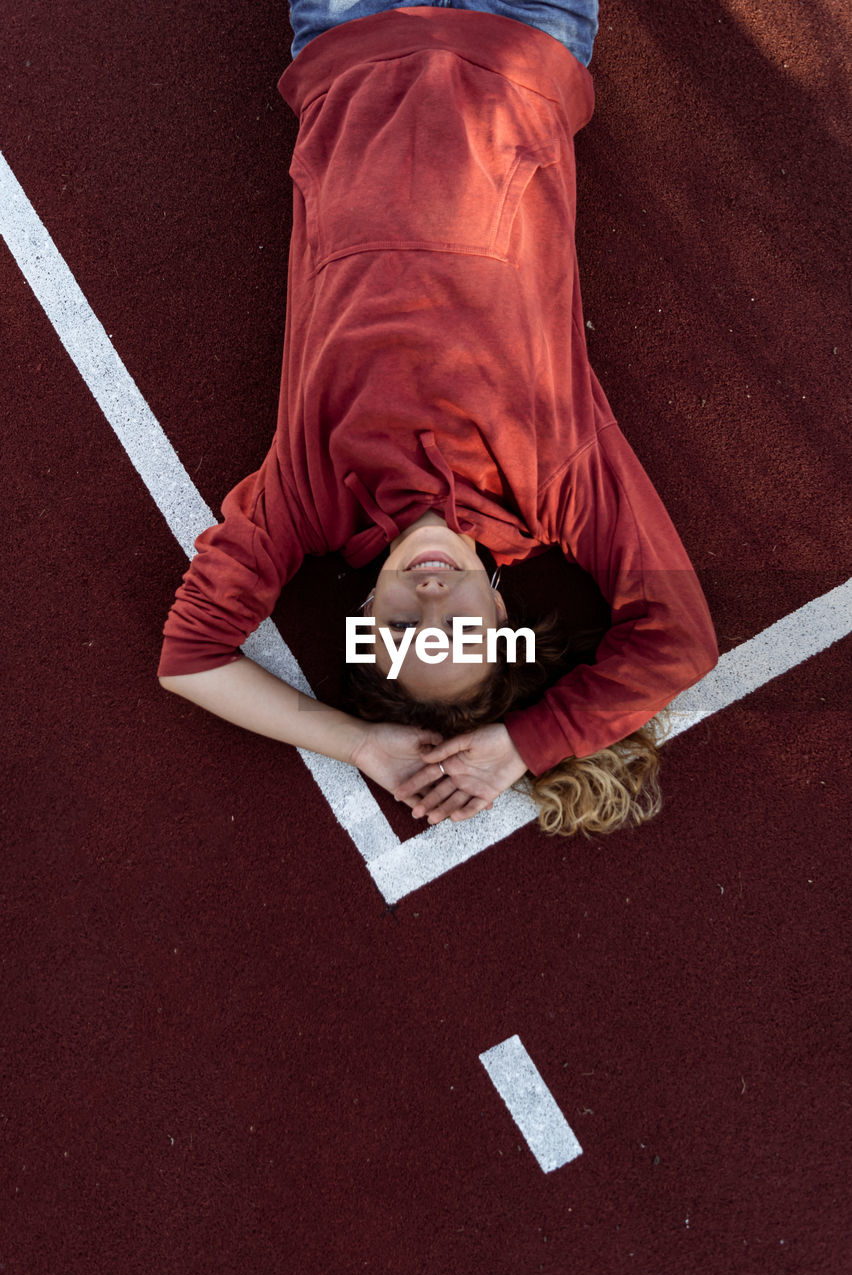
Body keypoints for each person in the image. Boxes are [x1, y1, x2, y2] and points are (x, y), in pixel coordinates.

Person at [158, 1, 719, 836]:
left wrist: (360, 745)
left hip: (352, 36)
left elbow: (189, 659)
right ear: (500, 611)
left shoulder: (310, 496)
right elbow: (678, 641)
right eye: (456, 625)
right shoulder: (555, 480)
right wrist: (525, 746)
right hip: (527, 38)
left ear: (362, 618)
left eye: (398, 624)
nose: (429, 595)